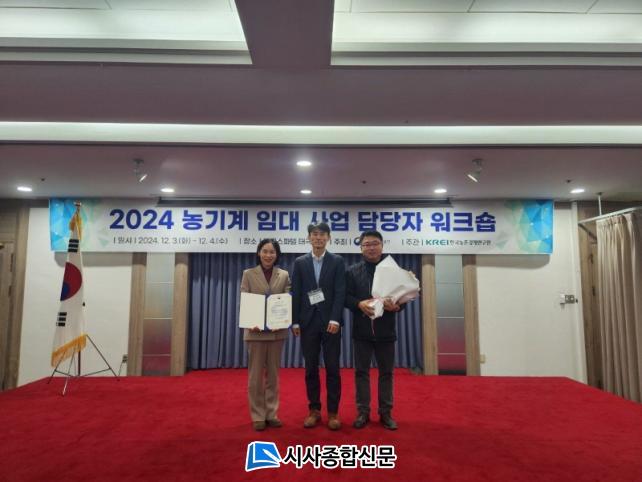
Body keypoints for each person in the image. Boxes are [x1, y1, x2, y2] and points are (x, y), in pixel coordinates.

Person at [345, 230, 403, 430]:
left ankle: (386, 413)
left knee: (386, 373)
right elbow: (345, 297)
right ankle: (363, 412)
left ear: (382, 246)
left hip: (386, 331)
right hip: (361, 331)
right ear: (361, 248)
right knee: (361, 373)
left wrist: (398, 306)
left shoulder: (393, 270)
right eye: (367, 244)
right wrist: (358, 304)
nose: (371, 248)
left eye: (375, 243)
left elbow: (403, 296)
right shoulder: (352, 272)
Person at [292, 222, 346, 430]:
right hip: (308, 323)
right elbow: (296, 293)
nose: (318, 238)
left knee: (332, 368)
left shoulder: (337, 261)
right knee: (310, 369)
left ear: (328, 238)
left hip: (330, 323)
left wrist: (335, 319)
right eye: (314, 234)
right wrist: (295, 320)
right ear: (309, 238)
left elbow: (340, 291)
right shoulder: (300, 262)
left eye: (323, 234)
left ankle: (333, 413)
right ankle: (314, 410)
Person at [240, 238, 291, 432]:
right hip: (255, 332)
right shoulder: (248, 274)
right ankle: (257, 416)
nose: (268, 255)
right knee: (255, 377)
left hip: (277, 333)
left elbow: (287, 300)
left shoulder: (284, 275)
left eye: (272, 252)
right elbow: (245, 299)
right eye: (265, 251)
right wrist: (250, 320)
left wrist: (282, 320)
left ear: (277, 255)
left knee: (273, 376)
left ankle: (271, 413)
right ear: (258, 253)